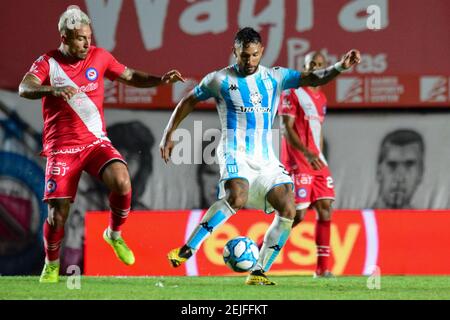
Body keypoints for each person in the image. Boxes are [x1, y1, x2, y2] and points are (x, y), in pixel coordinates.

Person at [160, 27, 360, 285]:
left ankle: (258, 271)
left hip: (265, 159)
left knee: (289, 208)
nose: (249, 61)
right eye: (244, 55)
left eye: (254, 55)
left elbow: (313, 79)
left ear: (261, 52)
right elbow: (189, 100)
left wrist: (341, 66)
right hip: (235, 151)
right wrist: (169, 132)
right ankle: (188, 248)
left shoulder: (275, 77)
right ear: (235, 52)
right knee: (237, 196)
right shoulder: (219, 80)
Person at [18, 5, 184, 283]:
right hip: (62, 148)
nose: (86, 43)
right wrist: (51, 89)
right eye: (79, 38)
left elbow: (130, 76)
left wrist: (160, 80)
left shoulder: (99, 57)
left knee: (122, 180)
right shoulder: (48, 62)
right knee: (58, 216)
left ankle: (114, 234)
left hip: (95, 143)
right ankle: (51, 264)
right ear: (64, 37)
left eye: (88, 37)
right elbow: (25, 88)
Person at [279, 51, 335, 278]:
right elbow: (286, 128)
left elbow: (318, 132)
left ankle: (323, 270)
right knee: (297, 216)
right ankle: (259, 247)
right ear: (304, 66)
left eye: (321, 65)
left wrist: (318, 155)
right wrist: (305, 153)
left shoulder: (322, 98)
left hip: (316, 160)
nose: (316, 67)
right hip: (297, 161)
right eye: (312, 63)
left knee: (325, 208)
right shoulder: (292, 92)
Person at [373, 129, 425, 209]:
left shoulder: (434, 221)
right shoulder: (355, 219)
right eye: (392, 165)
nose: (399, 178)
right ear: (378, 172)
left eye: (409, 165)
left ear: (420, 173)